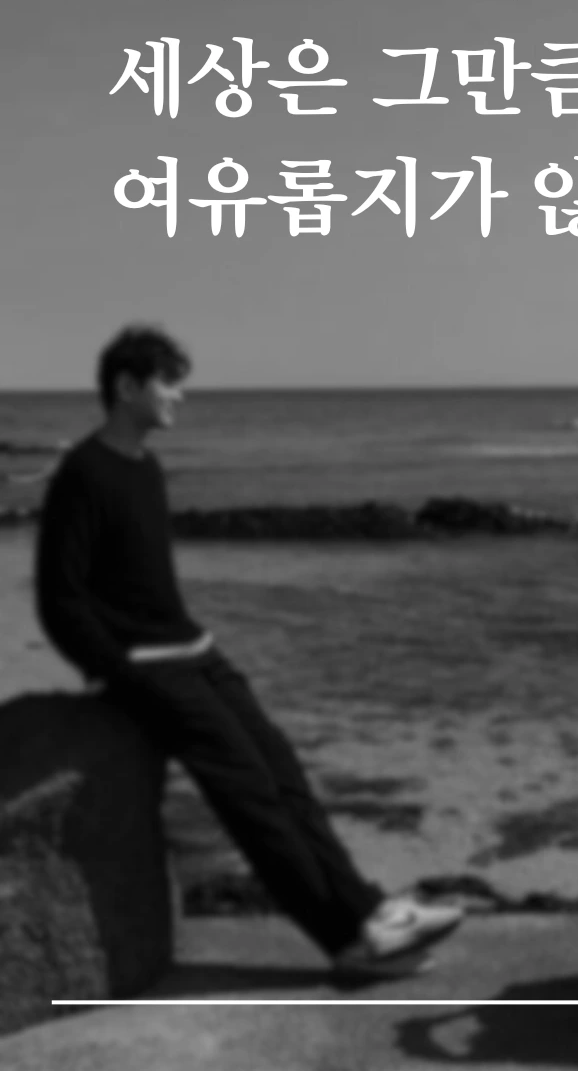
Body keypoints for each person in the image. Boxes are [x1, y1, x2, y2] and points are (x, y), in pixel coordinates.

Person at [34, 324, 463, 980]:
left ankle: (370, 913)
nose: (179, 396)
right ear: (127, 387)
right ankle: (347, 944)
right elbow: (60, 597)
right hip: (151, 669)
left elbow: (143, 583)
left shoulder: (145, 468)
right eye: (168, 382)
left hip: (196, 650)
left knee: (284, 775)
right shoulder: (84, 474)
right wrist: (118, 674)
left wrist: (187, 645)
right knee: (249, 796)